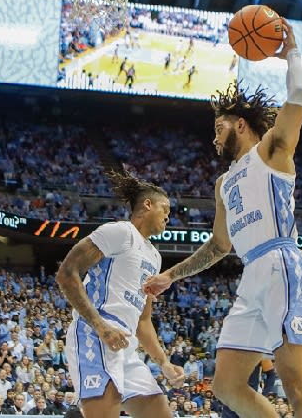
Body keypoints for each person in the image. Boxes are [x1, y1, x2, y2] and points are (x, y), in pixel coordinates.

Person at [144, 19, 302, 418]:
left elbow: (300, 94)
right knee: (225, 384)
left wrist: (291, 50)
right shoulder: (223, 183)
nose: (213, 137)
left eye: (218, 127)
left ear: (240, 124)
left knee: (296, 385)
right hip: (252, 273)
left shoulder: (273, 150)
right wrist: (170, 276)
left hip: (283, 263)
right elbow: (219, 246)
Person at [55, 170, 185, 418]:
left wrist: (164, 362)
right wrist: (100, 326)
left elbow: (143, 321)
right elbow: (66, 273)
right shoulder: (120, 232)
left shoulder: (154, 257)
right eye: (165, 209)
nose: (169, 216)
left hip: (126, 344)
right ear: (147, 204)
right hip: (96, 335)